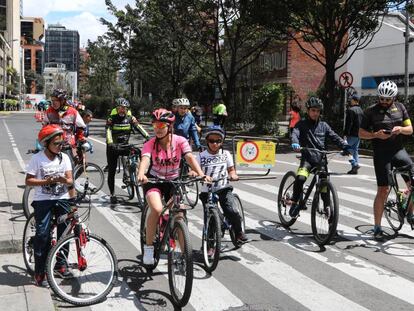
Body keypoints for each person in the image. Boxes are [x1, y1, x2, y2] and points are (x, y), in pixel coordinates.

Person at [137, 108, 210, 265]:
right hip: (153, 181)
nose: (157, 129)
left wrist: (200, 173)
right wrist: (141, 173)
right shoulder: (150, 143)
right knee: (156, 210)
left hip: (173, 182)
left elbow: (189, 157)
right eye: (155, 125)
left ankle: (186, 256)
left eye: (161, 126)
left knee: (179, 215)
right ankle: (149, 249)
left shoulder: (180, 141)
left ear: (169, 127)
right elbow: (145, 159)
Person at [359, 80, 414, 240]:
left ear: (394, 98)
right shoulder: (370, 111)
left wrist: (401, 129)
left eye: (387, 99)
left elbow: (410, 129)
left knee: (413, 183)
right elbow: (361, 133)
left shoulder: (401, 108)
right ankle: (377, 227)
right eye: (381, 98)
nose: (384, 102)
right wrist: (375, 135)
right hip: (382, 154)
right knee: (383, 190)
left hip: (398, 151)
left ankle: (409, 212)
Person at [25, 125, 74, 287]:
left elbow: (70, 181)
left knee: (65, 232)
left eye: (62, 143)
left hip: (62, 198)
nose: (60, 146)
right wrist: (48, 181)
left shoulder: (64, 158)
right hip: (43, 200)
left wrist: (72, 201)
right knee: (43, 235)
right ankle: (40, 272)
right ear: (46, 143)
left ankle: (61, 265)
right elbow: (29, 181)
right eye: (56, 143)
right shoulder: (37, 159)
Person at [289, 96, 349, 218]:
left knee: (324, 186)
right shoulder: (301, 124)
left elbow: (334, 136)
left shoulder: (324, 126)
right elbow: (295, 134)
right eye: (313, 110)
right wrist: (295, 142)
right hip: (307, 160)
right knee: (300, 178)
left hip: (321, 161)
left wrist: (344, 146)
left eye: (318, 111)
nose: (315, 113)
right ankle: (294, 203)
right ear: (308, 111)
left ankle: (329, 212)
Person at [197, 125, 248, 244]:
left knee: (232, 211)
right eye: (211, 141)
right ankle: (209, 245)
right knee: (211, 220)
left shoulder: (226, 154)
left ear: (222, 141)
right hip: (207, 192)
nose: (215, 144)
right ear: (207, 141)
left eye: (218, 141)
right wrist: (195, 174)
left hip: (223, 188)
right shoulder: (200, 156)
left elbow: (231, 169)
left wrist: (233, 175)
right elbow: (194, 170)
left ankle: (239, 233)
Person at [106, 97, 150, 204]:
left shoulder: (130, 118)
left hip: (125, 146)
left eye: (124, 108)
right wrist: (110, 143)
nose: (122, 110)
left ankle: (138, 171)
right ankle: (112, 194)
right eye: (120, 108)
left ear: (127, 109)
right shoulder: (112, 119)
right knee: (111, 171)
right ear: (116, 109)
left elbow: (139, 127)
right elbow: (108, 131)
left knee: (138, 152)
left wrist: (148, 137)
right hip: (114, 147)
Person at [344, 94, 364, 174]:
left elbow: (349, 123)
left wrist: (345, 133)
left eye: (351, 100)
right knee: (355, 150)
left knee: (346, 149)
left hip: (351, 134)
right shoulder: (361, 110)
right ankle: (354, 168)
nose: (350, 101)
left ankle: (354, 164)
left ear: (355, 101)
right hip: (358, 134)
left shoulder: (351, 110)